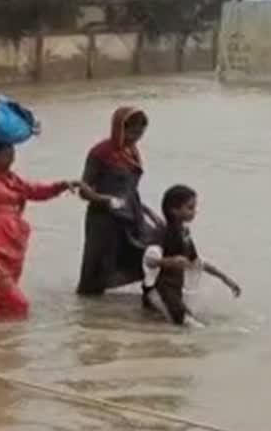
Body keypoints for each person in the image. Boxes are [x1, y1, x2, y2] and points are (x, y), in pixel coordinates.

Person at [0, 132, 85, 319]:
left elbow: (38, 191)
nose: (12, 156)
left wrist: (62, 185)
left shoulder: (13, 180)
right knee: (17, 304)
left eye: (12, 152)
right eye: (6, 152)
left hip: (8, 250)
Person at [77, 107, 161, 295]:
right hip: (104, 220)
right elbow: (84, 190)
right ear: (119, 128)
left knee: (157, 243)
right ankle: (91, 315)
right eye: (132, 132)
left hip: (131, 215)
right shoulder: (100, 153)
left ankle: (149, 295)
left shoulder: (131, 152)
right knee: (96, 272)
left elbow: (130, 190)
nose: (135, 138)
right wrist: (104, 199)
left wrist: (149, 213)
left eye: (140, 133)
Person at [142, 184, 242, 326]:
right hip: (159, 291)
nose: (194, 211)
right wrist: (169, 261)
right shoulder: (163, 233)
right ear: (174, 210)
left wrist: (224, 278)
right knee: (188, 326)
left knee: (192, 324)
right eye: (190, 207)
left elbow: (196, 262)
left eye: (194, 207)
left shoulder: (184, 234)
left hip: (174, 292)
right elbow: (149, 260)